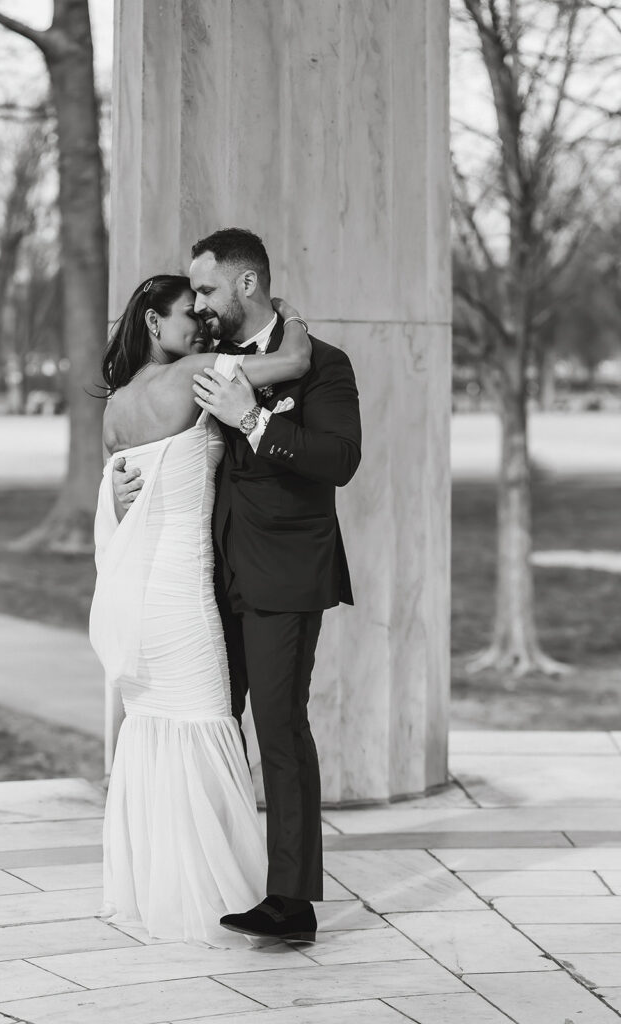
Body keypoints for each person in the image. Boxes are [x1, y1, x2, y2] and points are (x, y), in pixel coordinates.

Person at [114, 229, 362, 943]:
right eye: (192, 293)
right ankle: (214, 876)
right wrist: (125, 491)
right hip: (202, 584)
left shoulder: (324, 367)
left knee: (279, 733)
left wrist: (251, 420)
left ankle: (291, 902)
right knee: (207, 730)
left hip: (284, 577)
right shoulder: (204, 364)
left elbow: (339, 460)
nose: (198, 303)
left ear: (247, 285)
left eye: (207, 289)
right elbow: (155, 444)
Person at [90, 273, 312, 945]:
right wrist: (290, 317)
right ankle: (219, 889)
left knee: (157, 730)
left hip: (137, 592)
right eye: (190, 314)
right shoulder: (189, 373)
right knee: (209, 721)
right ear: (154, 325)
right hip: (182, 594)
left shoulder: (118, 405)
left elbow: (121, 491)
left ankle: (161, 885)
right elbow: (291, 362)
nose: (202, 325)